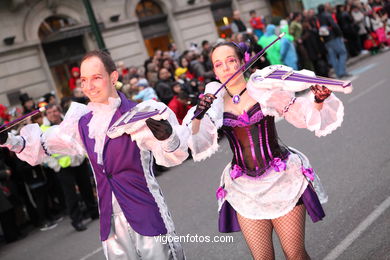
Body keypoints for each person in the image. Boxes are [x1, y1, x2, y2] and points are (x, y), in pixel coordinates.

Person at [1, 50, 189, 259]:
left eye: (96, 78)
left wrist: (169, 138)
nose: (89, 86)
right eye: (83, 80)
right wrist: (9, 140)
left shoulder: (140, 114)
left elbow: (174, 155)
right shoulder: (82, 124)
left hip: (146, 211)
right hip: (110, 223)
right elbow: (46, 143)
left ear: (113, 77)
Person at [183, 42, 344, 260]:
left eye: (231, 61)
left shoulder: (264, 91)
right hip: (244, 189)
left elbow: (302, 116)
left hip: (283, 180)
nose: (226, 68)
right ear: (214, 71)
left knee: (294, 255)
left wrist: (317, 101)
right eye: (218, 65)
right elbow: (194, 141)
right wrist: (198, 116)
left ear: (243, 62)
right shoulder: (215, 105)